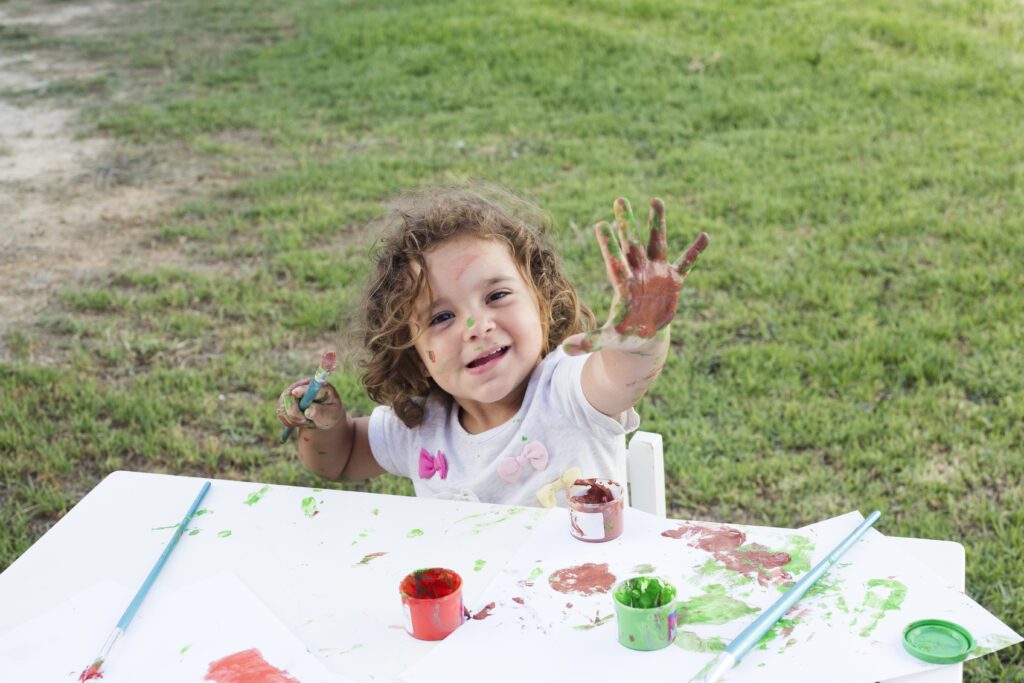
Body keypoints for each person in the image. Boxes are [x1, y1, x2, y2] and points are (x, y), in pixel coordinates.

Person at [276, 186, 708, 507]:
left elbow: (621, 375)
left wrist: (642, 337)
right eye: (441, 317)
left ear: (541, 299)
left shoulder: (568, 391)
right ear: (411, 348)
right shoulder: (421, 425)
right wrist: (325, 425)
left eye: (497, 295)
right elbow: (341, 458)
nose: (476, 326)